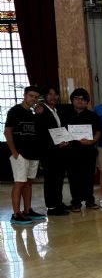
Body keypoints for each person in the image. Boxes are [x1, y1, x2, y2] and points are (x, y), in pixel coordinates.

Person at [4, 86, 46, 223]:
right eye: (31, 96)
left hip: (33, 153)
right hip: (20, 154)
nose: (33, 99)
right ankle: (16, 214)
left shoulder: (33, 113)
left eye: (36, 97)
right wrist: (14, 152)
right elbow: (8, 131)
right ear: (25, 95)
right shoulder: (15, 111)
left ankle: (27, 210)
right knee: (19, 183)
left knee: (28, 183)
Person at [61, 88, 102, 212]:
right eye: (77, 98)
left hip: (88, 152)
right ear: (72, 100)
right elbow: (60, 132)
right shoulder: (64, 115)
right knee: (73, 178)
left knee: (88, 178)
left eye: (83, 99)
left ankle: (90, 201)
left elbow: (99, 132)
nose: (80, 101)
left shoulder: (92, 115)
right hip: (70, 152)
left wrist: (93, 141)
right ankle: (76, 202)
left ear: (87, 102)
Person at [35, 86, 69, 216]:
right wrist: (37, 105)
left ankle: (58, 203)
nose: (53, 97)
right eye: (50, 94)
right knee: (50, 180)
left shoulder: (58, 109)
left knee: (59, 178)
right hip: (49, 151)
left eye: (55, 94)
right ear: (45, 96)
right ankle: (51, 207)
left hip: (60, 150)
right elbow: (41, 134)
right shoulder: (41, 111)